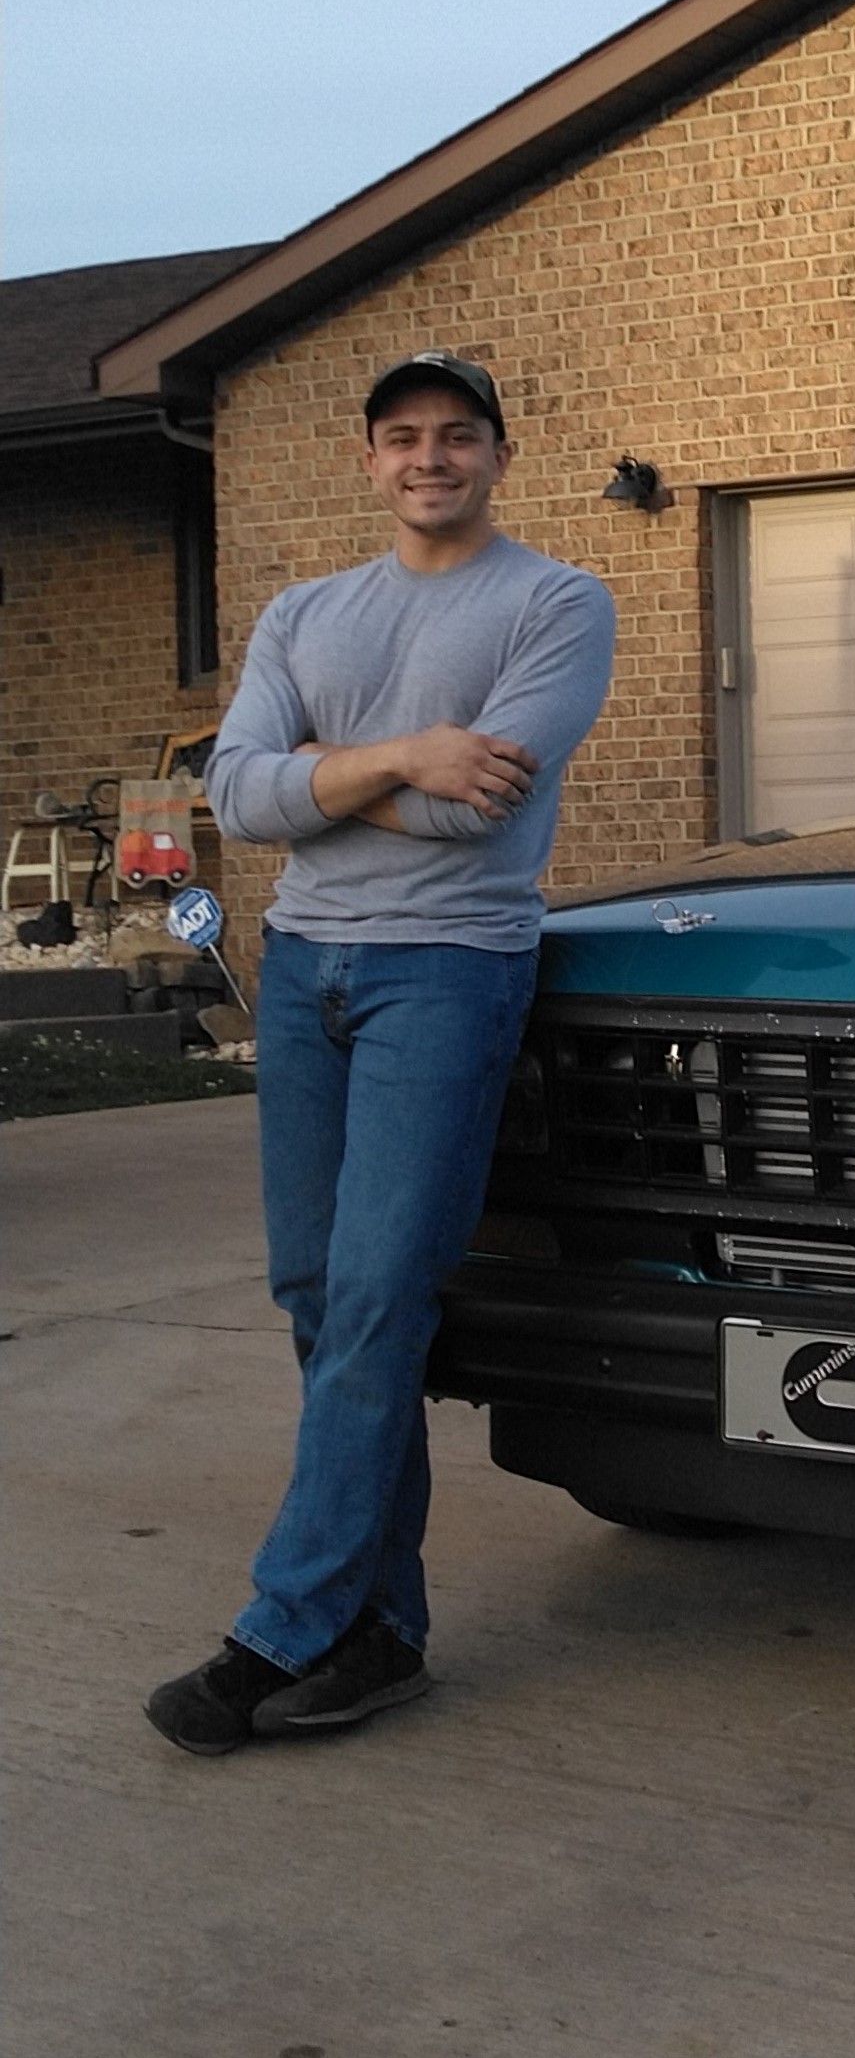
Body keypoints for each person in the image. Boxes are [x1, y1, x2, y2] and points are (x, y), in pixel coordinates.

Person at [146, 352, 616, 1757]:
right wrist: (409, 752)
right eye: (403, 438)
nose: (430, 458)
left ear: (497, 455)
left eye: (456, 436)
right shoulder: (305, 612)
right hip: (302, 974)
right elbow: (230, 795)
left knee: (375, 1295)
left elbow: (483, 819)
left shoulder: (556, 604)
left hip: (447, 974)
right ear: (369, 461)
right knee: (316, 1291)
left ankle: (282, 1627)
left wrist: (323, 785)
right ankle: (382, 1630)